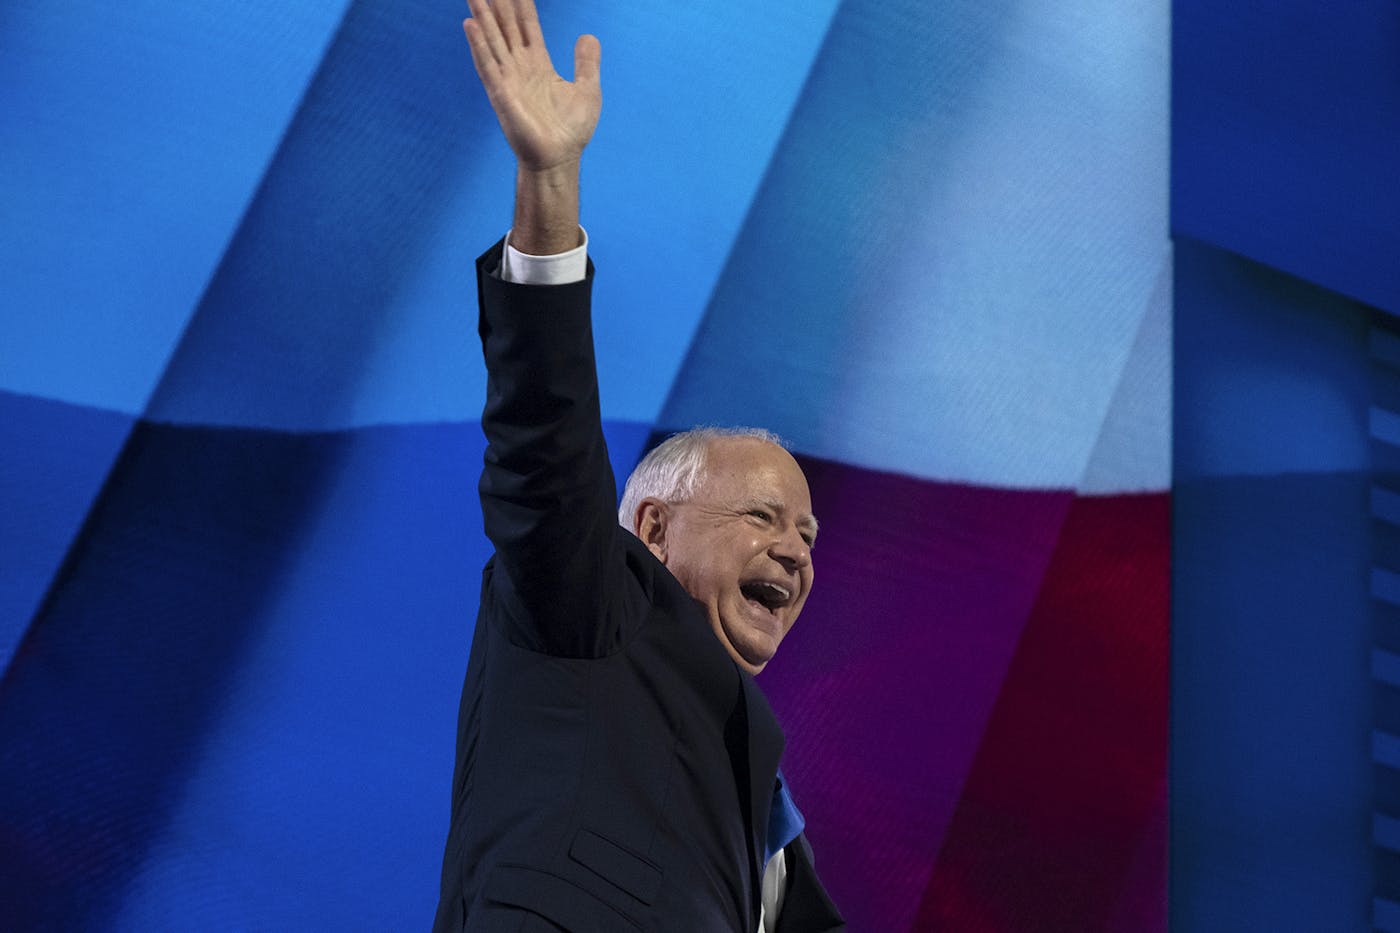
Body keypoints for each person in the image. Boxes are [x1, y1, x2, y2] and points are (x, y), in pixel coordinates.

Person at [434, 2, 845, 929]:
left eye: (808, 536)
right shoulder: (592, 606)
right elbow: (545, 444)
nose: (794, 552)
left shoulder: (763, 807)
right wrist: (550, 183)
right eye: (764, 517)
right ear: (653, 527)